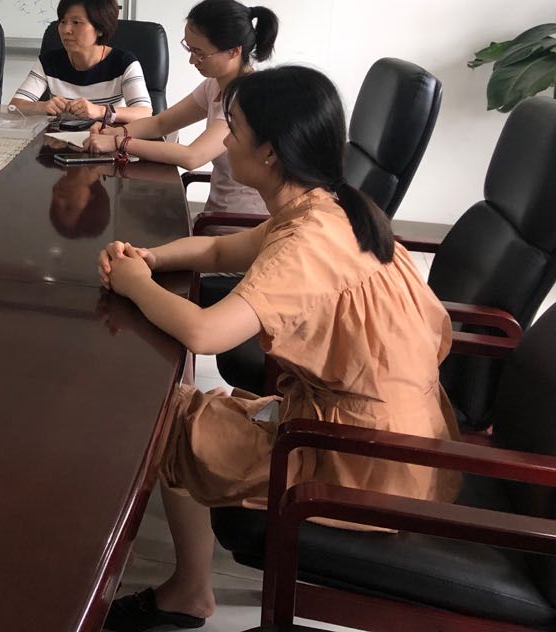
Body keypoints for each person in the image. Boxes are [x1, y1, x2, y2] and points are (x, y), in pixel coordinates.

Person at [96, 67, 459, 631]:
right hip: (373, 428)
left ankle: (187, 592)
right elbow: (221, 253)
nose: (224, 140)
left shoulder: (310, 242)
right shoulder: (326, 206)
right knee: (184, 411)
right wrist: (150, 257)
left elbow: (205, 334)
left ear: (269, 152)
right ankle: (189, 587)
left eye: (234, 128)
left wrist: (136, 285)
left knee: (165, 422)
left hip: (363, 460)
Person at [88, 0, 278, 216]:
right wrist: (114, 131)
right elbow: (161, 123)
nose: (192, 61)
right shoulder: (214, 85)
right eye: (190, 49)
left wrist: (118, 142)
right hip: (216, 214)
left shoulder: (246, 98)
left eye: (200, 53)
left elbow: (192, 157)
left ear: (234, 52)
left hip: (242, 222)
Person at [10, 0, 152, 123]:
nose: (66, 30)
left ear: (100, 29)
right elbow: (14, 107)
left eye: (76, 22)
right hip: (58, 136)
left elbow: (144, 113)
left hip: (107, 136)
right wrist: (41, 107)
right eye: (62, 22)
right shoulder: (48, 61)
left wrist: (100, 111)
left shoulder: (124, 62)